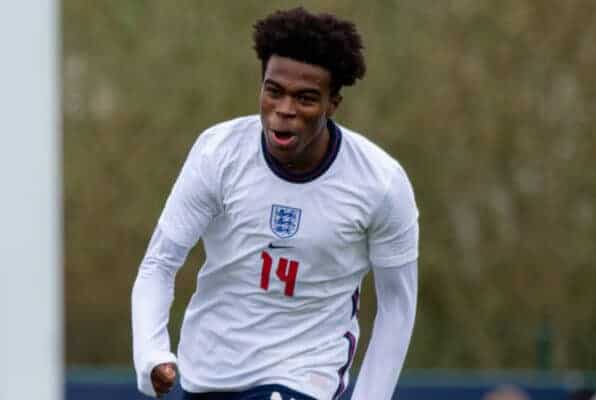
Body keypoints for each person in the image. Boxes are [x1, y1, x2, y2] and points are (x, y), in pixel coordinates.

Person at [132, 7, 419, 400]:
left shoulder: (380, 184)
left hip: (306, 375)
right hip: (209, 371)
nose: (285, 110)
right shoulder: (219, 153)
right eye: (274, 91)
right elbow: (159, 263)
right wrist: (151, 352)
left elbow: (397, 306)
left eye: (305, 98)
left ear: (333, 103)